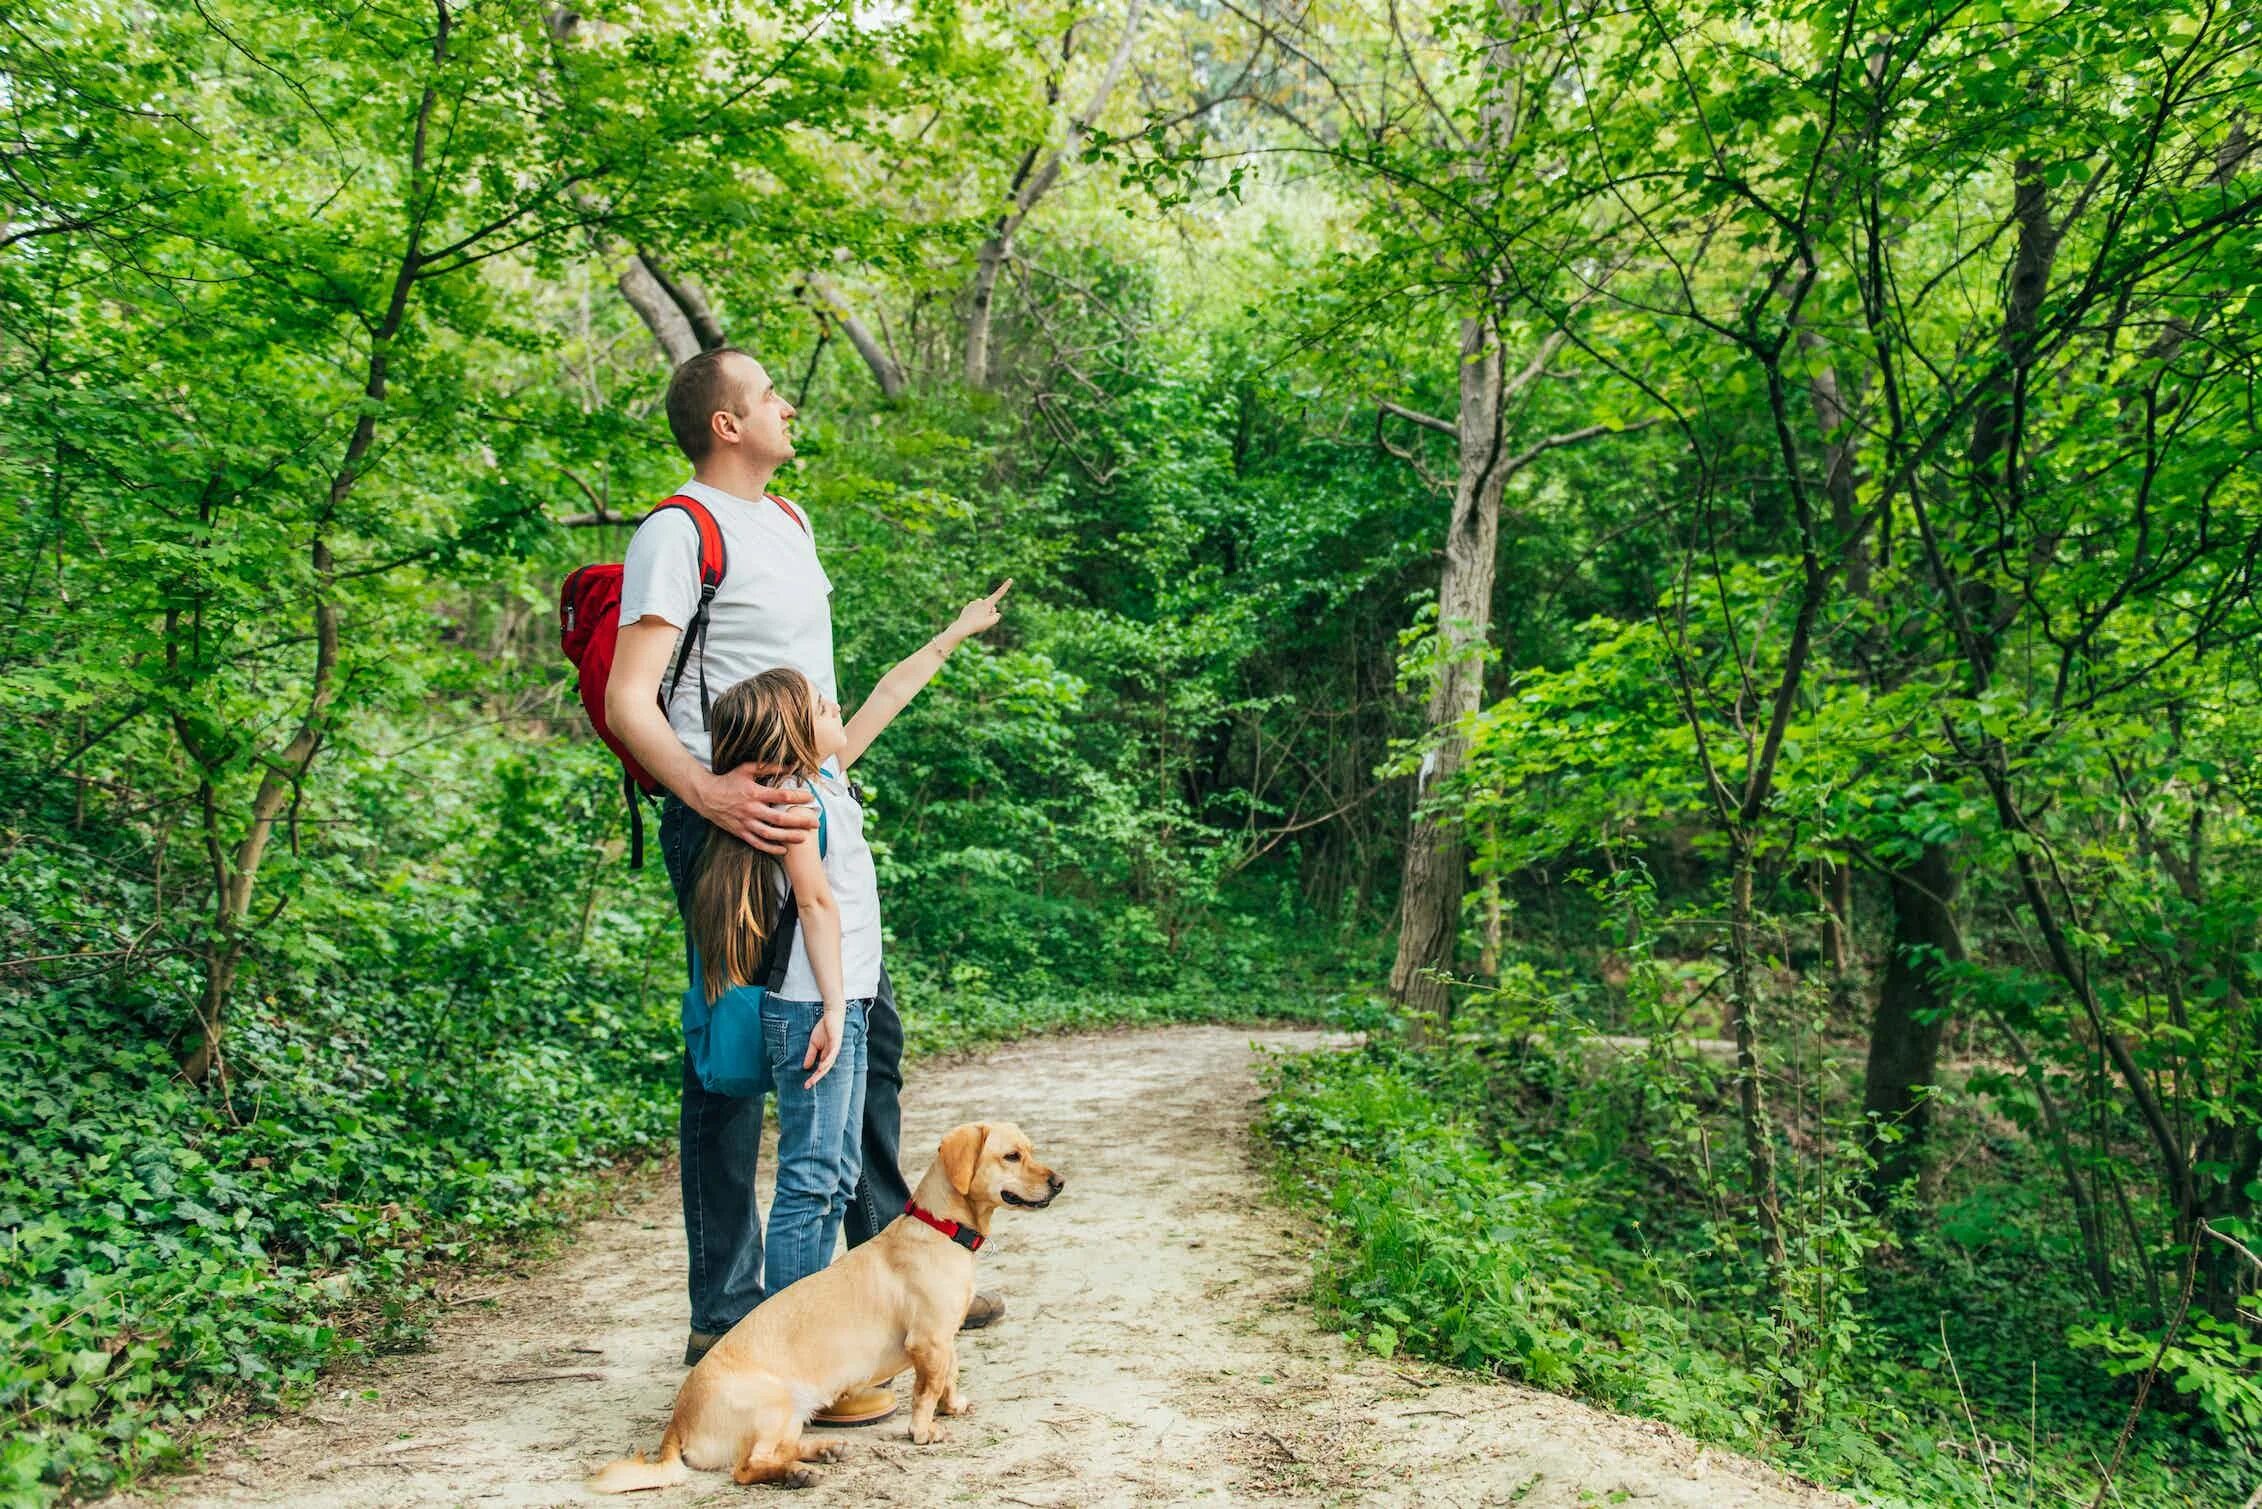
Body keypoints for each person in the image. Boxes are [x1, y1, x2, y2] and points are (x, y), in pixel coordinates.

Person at [604, 348, 1003, 1425]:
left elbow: (824, 695)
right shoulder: (676, 532)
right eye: (768, 393)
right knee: (734, 1069)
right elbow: (627, 697)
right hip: (734, 827)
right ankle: (728, 1316)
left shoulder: (789, 522)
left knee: (866, 1036)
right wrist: (711, 795)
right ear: (726, 425)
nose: (788, 402)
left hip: (814, 807)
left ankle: (902, 1278)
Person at [685, 584, 1005, 1305]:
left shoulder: (825, 777)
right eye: (819, 704)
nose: (835, 706)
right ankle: (788, 1344)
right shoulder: (791, 801)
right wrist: (835, 1007)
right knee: (813, 1175)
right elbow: (816, 902)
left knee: (834, 1170)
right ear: (789, 734)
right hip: (813, 1007)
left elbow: (890, 694)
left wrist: (954, 631)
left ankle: (807, 1335)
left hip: (842, 1001)